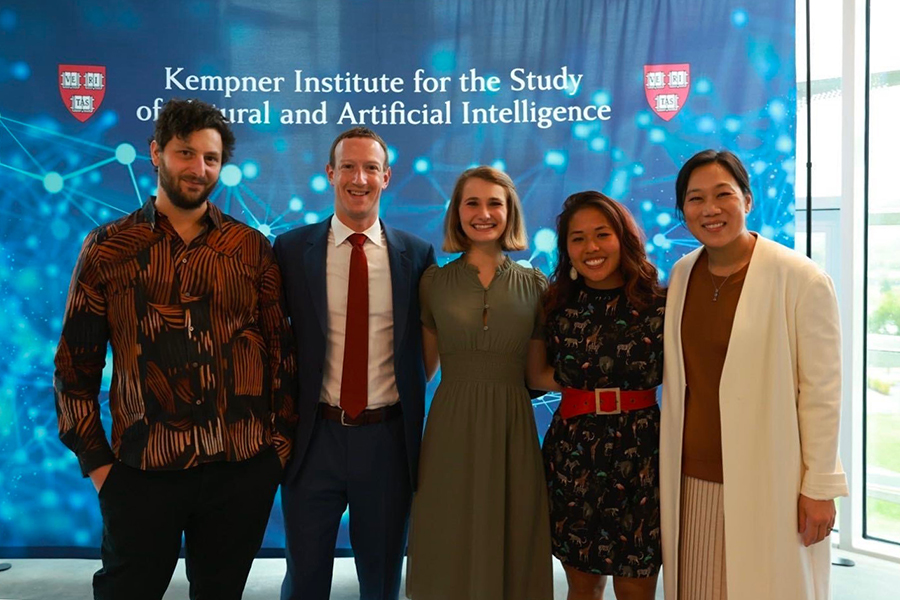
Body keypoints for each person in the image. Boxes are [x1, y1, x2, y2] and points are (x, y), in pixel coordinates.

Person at [53, 98, 296, 600]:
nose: (198, 168)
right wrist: (99, 465)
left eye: (210, 158)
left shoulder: (251, 249)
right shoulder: (108, 248)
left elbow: (281, 353)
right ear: (156, 153)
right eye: (186, 153)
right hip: (141, 471)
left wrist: (276, 452)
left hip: (240, 468)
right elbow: (74, 366)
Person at [660, 149, 848, 600]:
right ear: (682, 210)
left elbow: (821, 392)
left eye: (723, 194)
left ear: (746, 199)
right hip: (691, 480)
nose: (710, 209)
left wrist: (820, 487)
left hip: (771, 479)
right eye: (695, 198)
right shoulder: (683, 274)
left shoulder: (799, 278)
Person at [274, 127, 435, 600]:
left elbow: (424, 349)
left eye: (370, 168)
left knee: (382, 581)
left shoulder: (417, 256)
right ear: (330, 174)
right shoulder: (289, 251)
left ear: (386, 177)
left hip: (387, 441)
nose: (358, 178)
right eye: (348, 166)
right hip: (313, 439)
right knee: (304, 580)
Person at [405, 166, 553, 600]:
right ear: (457, 211)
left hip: (513, 428)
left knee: (513, 533)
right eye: (472, 202)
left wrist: (597, 380)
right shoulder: (432, 282)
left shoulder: (536, 285)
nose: (483, 213)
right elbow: (422, 370)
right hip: (450, 427)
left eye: (495, 203)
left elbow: (536, 374)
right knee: (447, 530)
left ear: (510, 213)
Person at [531, 192, 664, 600]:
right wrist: (589, 391)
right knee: (582, 587)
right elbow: (534, 374)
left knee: (635, 587)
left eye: (602, 234)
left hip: (643, 455)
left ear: (623, 238)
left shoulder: (662, 302)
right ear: (566, 249)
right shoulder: (554, 305)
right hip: (574, 453)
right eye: (577, 238)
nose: (590, 247)